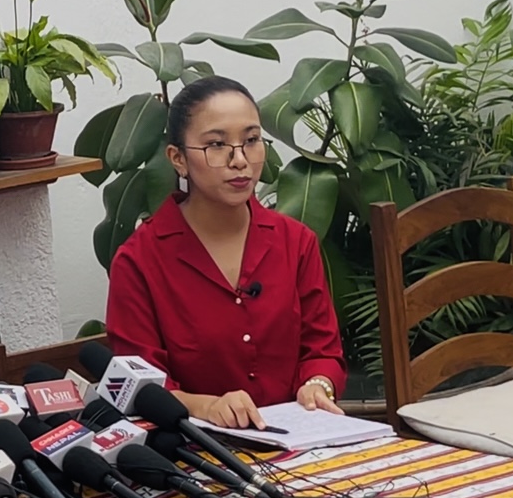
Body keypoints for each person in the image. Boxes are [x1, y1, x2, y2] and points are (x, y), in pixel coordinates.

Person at [105, 76, 347, 430]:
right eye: (217, 145)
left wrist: (317, 385)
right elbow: (140, 386)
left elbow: (322, 351)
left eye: (251, 141)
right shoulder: (139, 261)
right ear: (178, 159)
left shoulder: (295, 242)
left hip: (300, 436)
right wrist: (206, 406)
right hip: (197, 447)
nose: (240, 160)